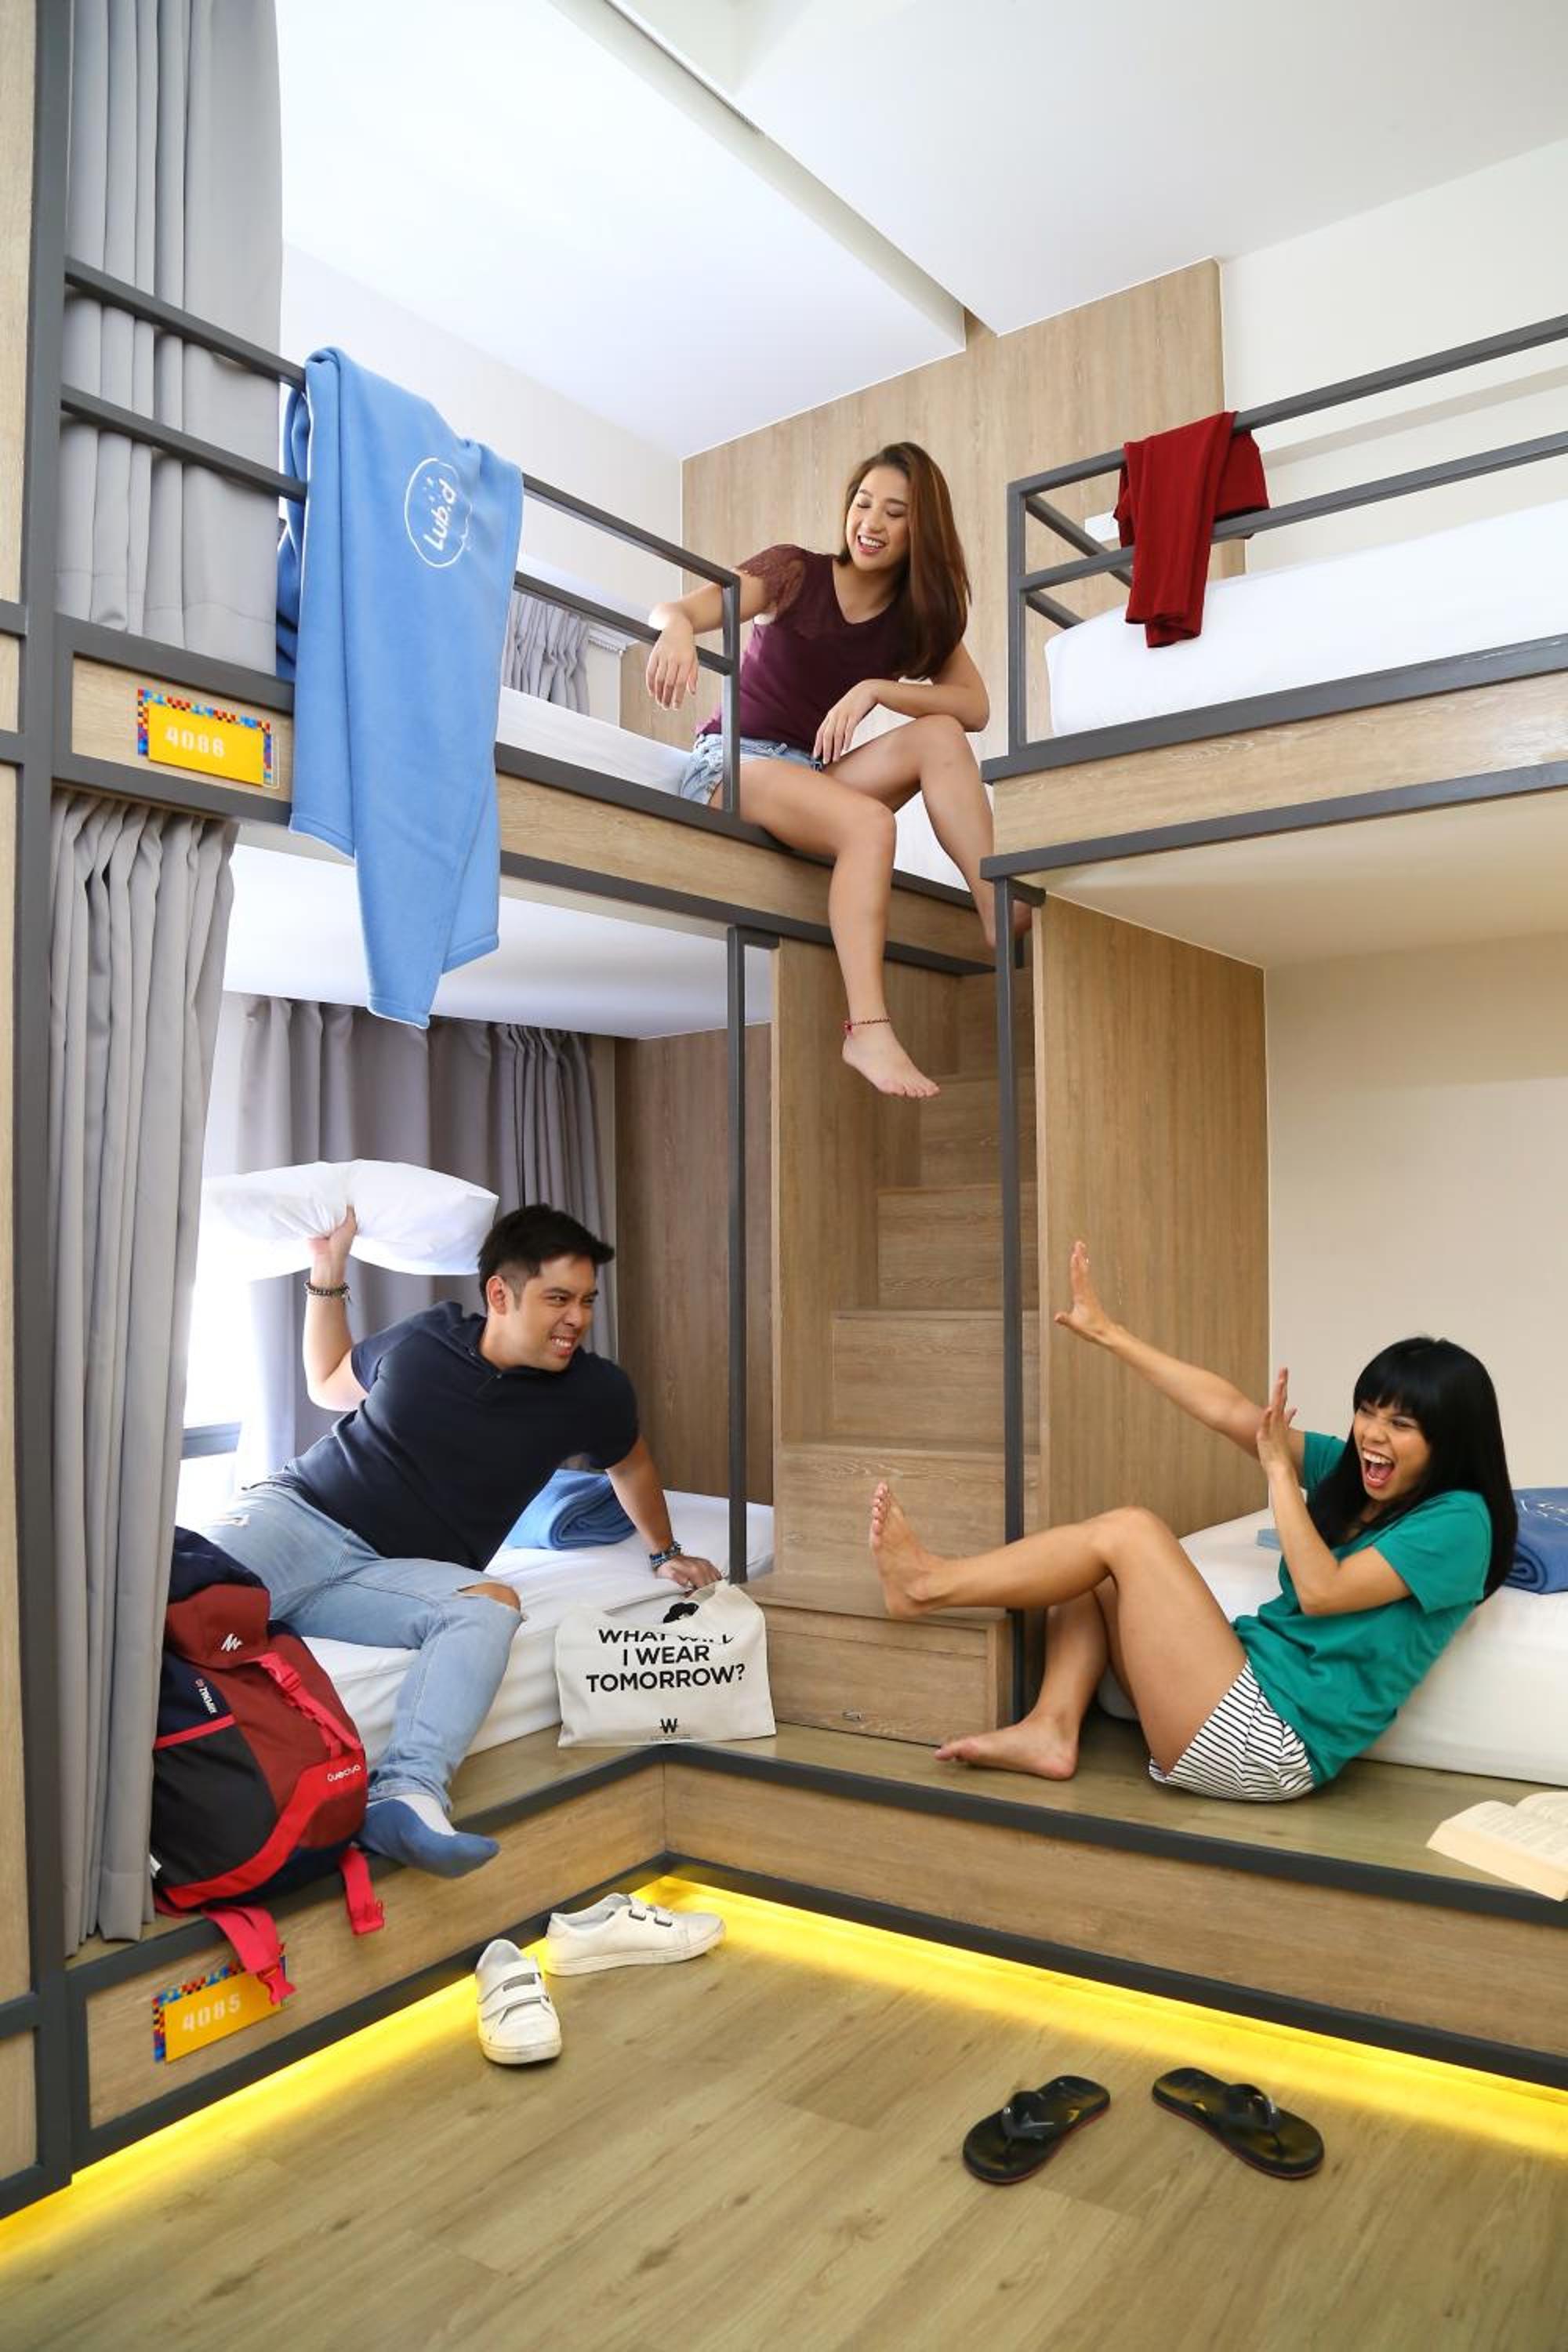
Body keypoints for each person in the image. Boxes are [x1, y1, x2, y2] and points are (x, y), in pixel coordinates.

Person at [869, 1240, 1516, 1802]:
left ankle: (926, 1585)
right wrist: (1110, 1334)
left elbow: (1322, 1591)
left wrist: (1279, 1473)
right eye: (1368, 1411)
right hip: (1242, 1686)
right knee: (1090, 1566)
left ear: (1449, 1443)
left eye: (1401, 1424)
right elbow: (1228, 1411)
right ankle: (1051, 1729)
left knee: (1130, 1531)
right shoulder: (1356, 1476)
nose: (1372, 1434)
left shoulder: (1461, 1521)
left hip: (1274, 1743)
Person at [203, 1203, 718, 1876]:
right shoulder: (427, 1339)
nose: (577, 1318)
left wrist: (665, 1552)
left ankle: (406, 1795)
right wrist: (328, 1270)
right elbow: (328, 1382)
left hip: (388, 1577)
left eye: (587, 1300)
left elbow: (631, 1464)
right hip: (298, 1518)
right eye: (558, 1298)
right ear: (500, 1295)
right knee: (168, 1601)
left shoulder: (594, 1392)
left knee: (488, 1606)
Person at [645, 441, 1013, 1102]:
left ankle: (995, 908)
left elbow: (974, 707)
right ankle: (867, 1029)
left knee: (940, 734)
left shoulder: (912, 618)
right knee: (869, 824)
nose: (871, 523)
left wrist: (878, 689)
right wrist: (674, 631)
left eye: (894, 513)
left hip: (807, 777)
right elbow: (677, 611)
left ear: (920, 530)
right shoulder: (794, 572)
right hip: (733, 763)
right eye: (863, 504)